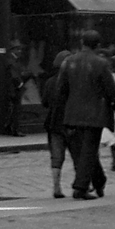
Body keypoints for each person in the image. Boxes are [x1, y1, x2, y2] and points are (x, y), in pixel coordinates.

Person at [56, 29, 115, 201]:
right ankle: (81, 187)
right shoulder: (100, 63)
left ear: (82, 43)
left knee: (83, 151)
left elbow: (61, 89)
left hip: (73, 112)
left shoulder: (68, 62)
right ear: (98, 45)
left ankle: (98, 181)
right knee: (89, 150)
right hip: (95, 113)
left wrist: (62, 110)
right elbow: (111, 89)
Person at [39, 49, 73, 199]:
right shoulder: (74, 82)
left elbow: (45, 102)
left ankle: (56, 185)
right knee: (78, 154)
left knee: (56, 157)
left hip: (55, 122)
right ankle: (83, 183)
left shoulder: (50, 82)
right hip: (72, 122)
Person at [4, 44, 26, 137]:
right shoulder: (11, 61)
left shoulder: (14, 60)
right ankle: (15, 129)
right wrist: (20, 84)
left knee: (14, 109)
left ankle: (9, 127)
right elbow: (14, 76)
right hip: (14, 89)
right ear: (13, 50)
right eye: (18, 49)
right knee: (16, 109)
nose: (20, 51)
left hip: (13, 88)